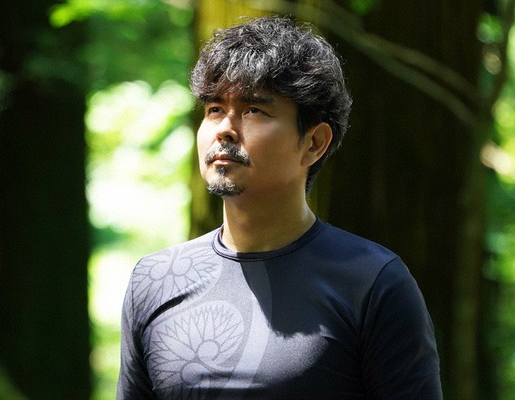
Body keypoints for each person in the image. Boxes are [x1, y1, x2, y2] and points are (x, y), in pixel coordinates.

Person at [117, 16, 442, 400]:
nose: (224, 128)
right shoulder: (155, 281)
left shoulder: (372, 283)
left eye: (254, 110)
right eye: (215, 108)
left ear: (314, 143)